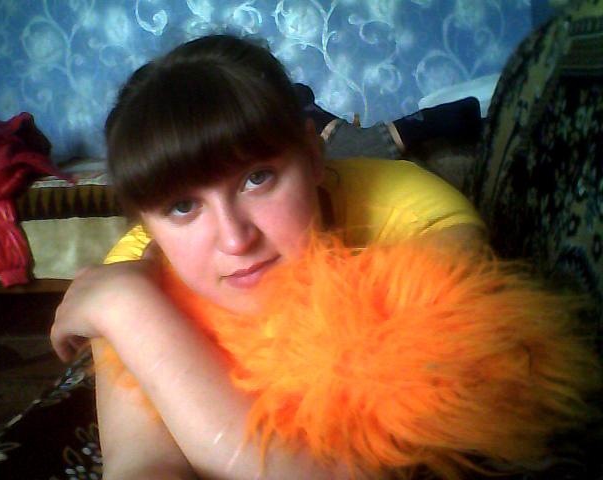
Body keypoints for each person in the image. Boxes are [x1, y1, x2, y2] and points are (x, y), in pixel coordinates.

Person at [50, 35, 595, 480]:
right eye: (183, 206)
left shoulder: (420, 219)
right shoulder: (131, 269)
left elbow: (353, 470)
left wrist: (130, 311)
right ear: (148, 225)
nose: (235, 239)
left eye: (257, 178)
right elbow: (144, 463)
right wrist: (134, 305)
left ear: (313, 156)